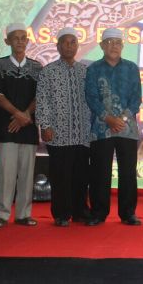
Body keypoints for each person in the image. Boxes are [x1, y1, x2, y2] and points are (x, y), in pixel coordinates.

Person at [35, 27, 92, 227]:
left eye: (72, 42)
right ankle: (61, 214)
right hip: (58, 133)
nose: (69, 46)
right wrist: (45, 125)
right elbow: (42, 100)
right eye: (65, 43)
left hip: (82, 133)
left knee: (81, 175)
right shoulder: (48, 71)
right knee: (60, 175)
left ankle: (80, 211)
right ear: (58, 46)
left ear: (77, 46)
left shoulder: (85, 71)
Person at [85, 28, 142, 225]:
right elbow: (91, 97)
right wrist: (108, 118)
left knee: (128, 172)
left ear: (123, 46)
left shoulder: (132, 68)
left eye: (117, 43)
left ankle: (128, 213)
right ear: (102, 45)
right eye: (109, 42)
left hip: (127, 128)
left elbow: (136, 98)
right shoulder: (93, 69)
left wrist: (122, 119)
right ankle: (98, 213)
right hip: (101, 128)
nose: (114, 46)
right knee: (99, 172)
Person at [0, 23, 42, 228]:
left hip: (28, 128)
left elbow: (40, 96)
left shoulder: (37, 67)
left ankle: (23, 214)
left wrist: (25, 115)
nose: (20, 41)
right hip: (5, 128)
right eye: (15, 38)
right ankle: (2, 214)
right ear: (7, 41)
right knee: (5, 174)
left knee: (27, 175)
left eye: (23, 38)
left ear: (27, 41)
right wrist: (18, 114)